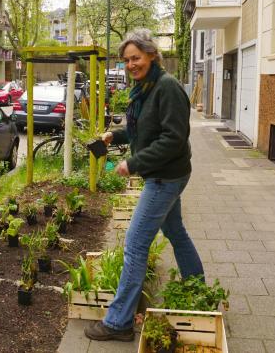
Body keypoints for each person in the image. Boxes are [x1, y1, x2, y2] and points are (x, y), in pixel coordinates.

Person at [85, 29, 204, 341]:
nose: (130, 64)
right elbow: (145, 130)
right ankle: (198, 288)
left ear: (152, 55)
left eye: (135, 58)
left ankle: (119, 322)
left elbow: (173, 138)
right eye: (126, 60)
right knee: (175, 232)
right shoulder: (145, 86)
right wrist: (117, 135)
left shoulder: (167, 88)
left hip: (165, 176)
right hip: (162, 173)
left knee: (135, 244)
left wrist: (133, 163)